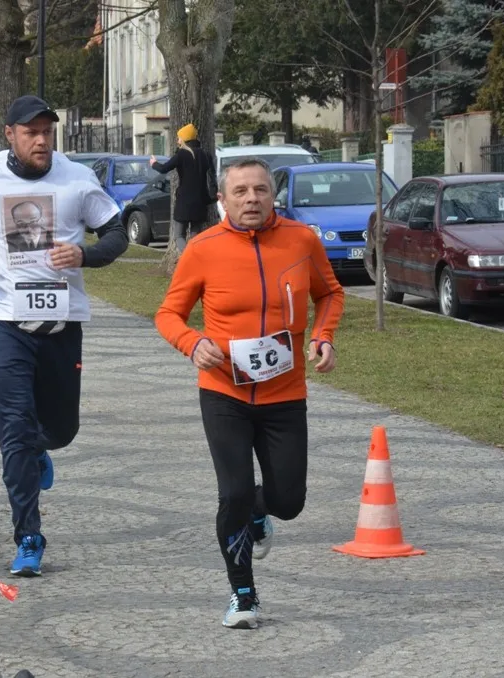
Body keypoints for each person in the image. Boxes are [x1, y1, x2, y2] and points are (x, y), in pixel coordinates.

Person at [0, 95, 128, 577]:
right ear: (10, 135)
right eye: (31, 132)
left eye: (47, 131)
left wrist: (84, 256)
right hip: (4, 322)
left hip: (62, 324)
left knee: (60, 430)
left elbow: (117, 233)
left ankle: (42, 448)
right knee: (14, 431)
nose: (41, 140)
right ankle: (28, 536)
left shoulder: (77, 179)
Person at [154, 157, 344, 629]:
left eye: (260, 190)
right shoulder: (203, 249)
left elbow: (330, 293)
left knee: (289, 501)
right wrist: (191, 342)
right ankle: (243, 594)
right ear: (222, 200)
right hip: (224, 392)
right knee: (233, 493)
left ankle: (261, 512)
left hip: (285, 393)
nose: (251, 199)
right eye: (240, 191)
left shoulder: (301, 240)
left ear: (273, 195)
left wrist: (323, 336)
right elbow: (168, 314)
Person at [149, 122, 217, 252]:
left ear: (185, 139)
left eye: (179, 137)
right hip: (201, 202)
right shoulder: (205, 154)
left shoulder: (182, 154)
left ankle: (188, 258)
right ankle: (195, 256)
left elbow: (164, 169)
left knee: (179, 235)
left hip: (184, 202)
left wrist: (154, 163)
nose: (177, 140)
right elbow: (212, 175)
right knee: (195, 235)